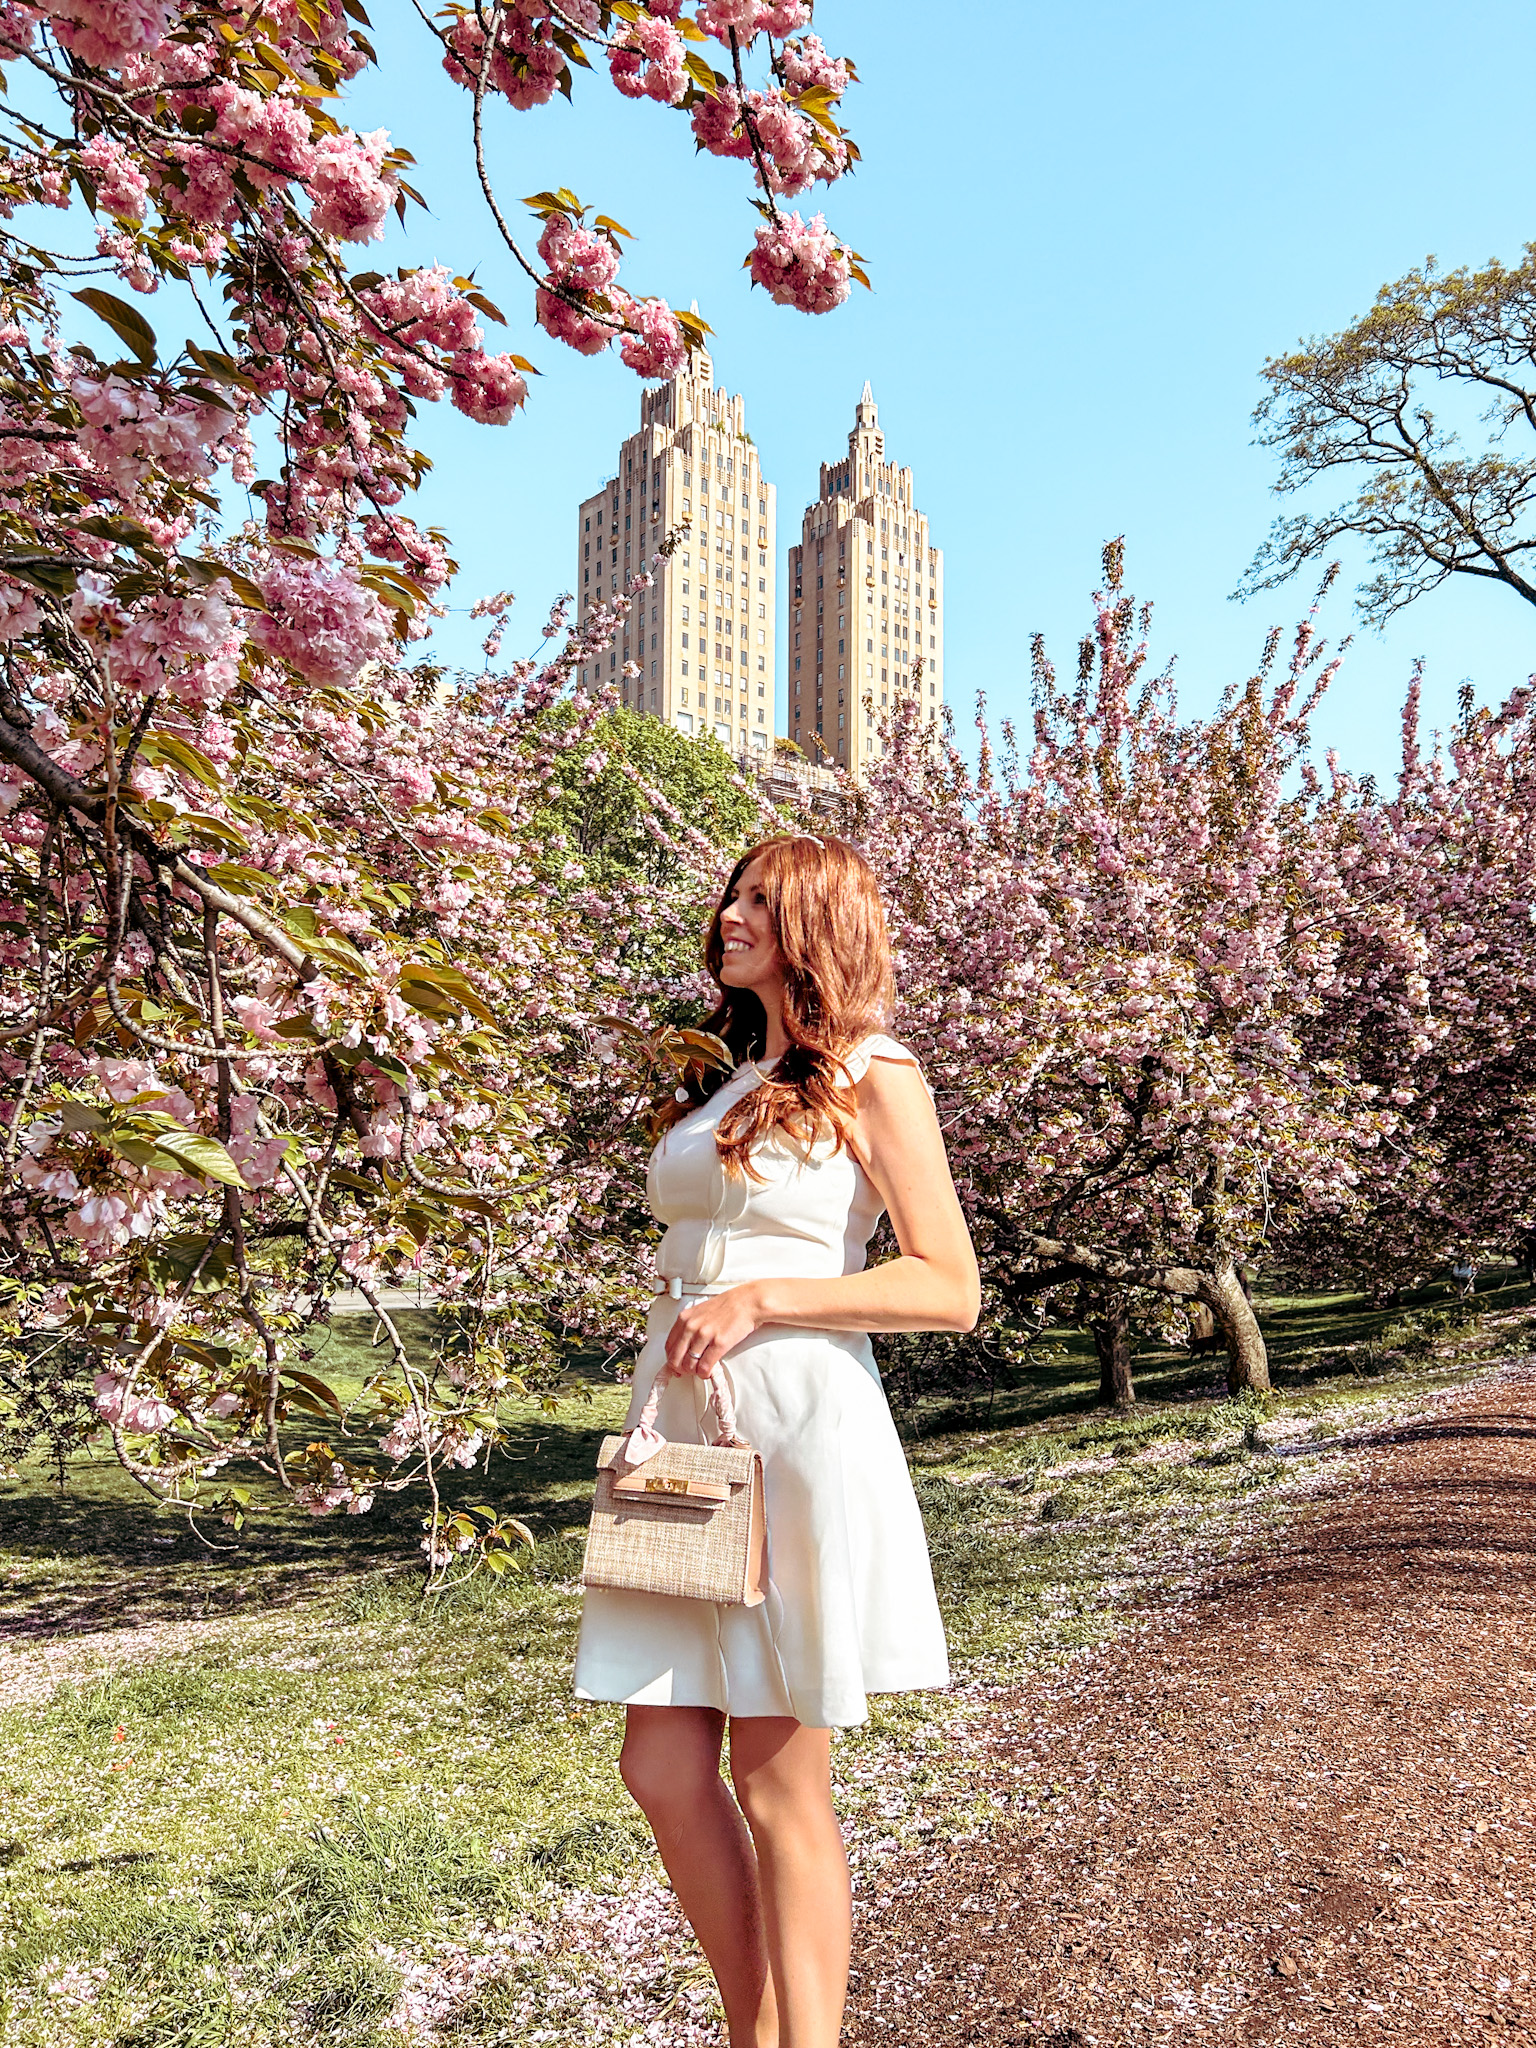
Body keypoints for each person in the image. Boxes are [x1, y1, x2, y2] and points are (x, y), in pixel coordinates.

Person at [574, 833, 980, 2048]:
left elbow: (946, 1284)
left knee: (776, 1772)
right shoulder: (729, 1078)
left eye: (761, 897)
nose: (730, 910)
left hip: (799, 1422)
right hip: (678, 1427)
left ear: (816, 923)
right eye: (733, 891)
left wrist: (761, 1298)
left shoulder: (872, 1068)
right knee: (660, 1763)